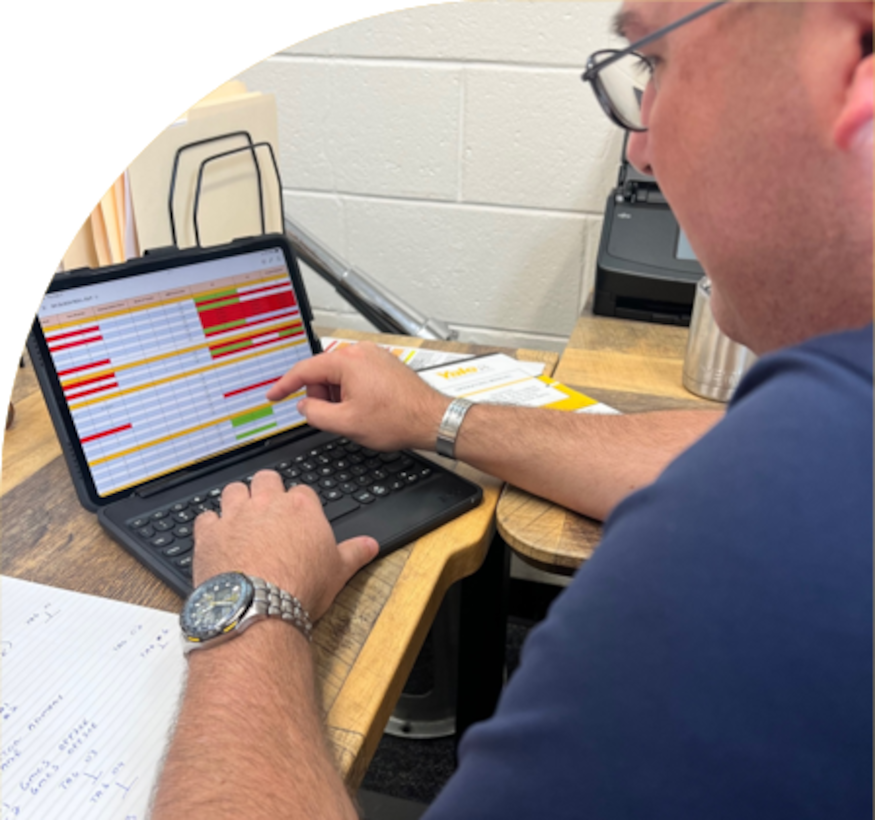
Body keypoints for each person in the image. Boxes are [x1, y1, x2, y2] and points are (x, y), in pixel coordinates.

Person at [150, 2, 873, 818]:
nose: (639, 144)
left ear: (852, 57)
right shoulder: (812, 447)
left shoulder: (769, 530)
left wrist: (250, 599)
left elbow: (745, 483)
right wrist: (435, 417)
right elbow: (716, 450)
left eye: (653, 65)